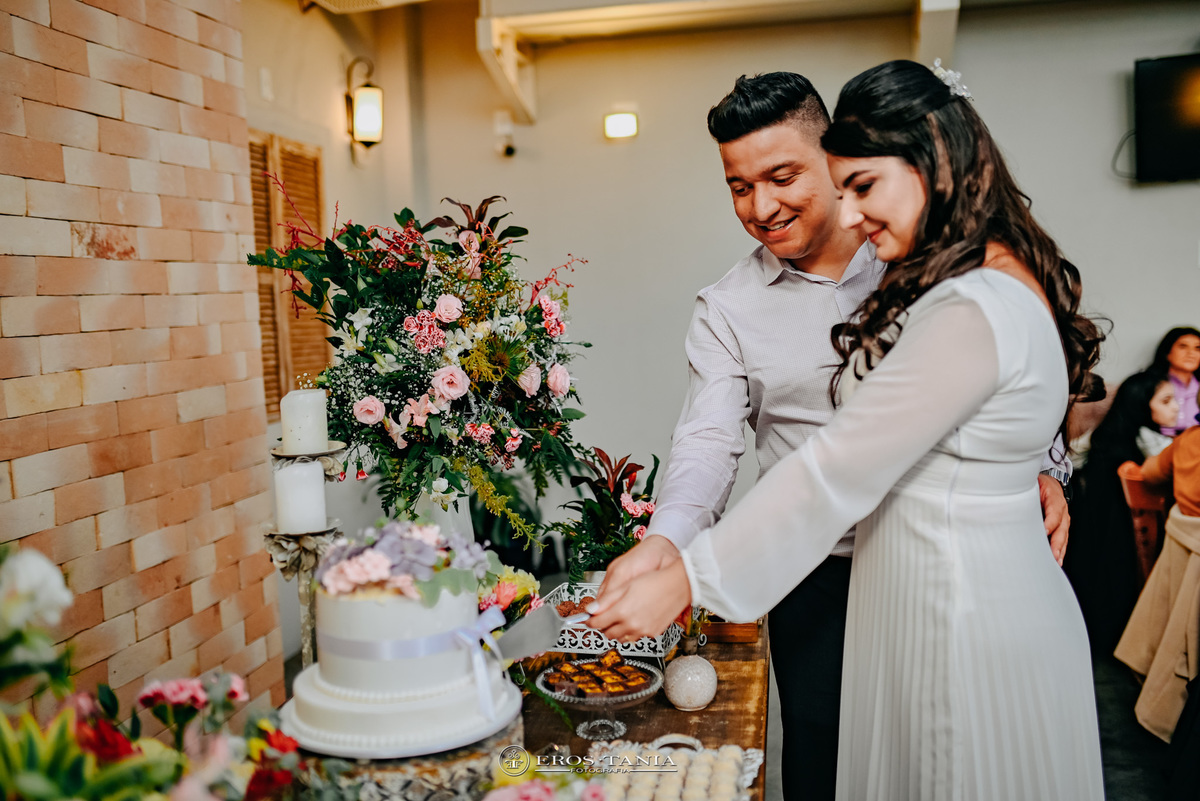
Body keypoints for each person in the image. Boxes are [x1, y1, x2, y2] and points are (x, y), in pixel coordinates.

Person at [589, 60, 1105, 798]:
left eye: (782, 176)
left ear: (832, 160)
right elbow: (708, 440)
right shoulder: (729, 306)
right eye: (738, 186)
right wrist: (669, 540)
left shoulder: (930, 263)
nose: (760, 205)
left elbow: (1005, 381)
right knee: (837, 765)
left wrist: (1041, 463)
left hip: (948, 573)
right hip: (815, 572)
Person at [1148, 326, 1200, 436]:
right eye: (1183, 346)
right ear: (1168, 352)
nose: (1191, 353)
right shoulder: (1149, 385)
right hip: (1159, 447)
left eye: (1198, 348)